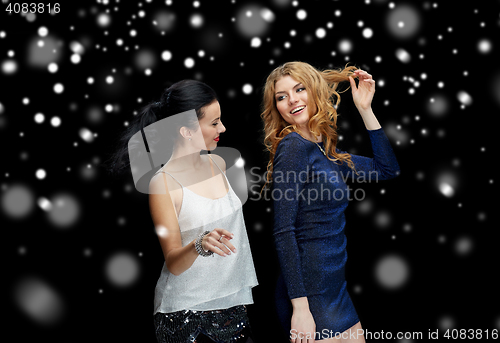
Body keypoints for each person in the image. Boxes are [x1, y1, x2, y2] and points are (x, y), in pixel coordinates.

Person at [104, 80, 258, 343]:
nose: (223, 128)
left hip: (234, 306)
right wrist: (200, 243)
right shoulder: (163, 184)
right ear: (186, 131)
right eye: (214, 123)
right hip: (187, 316)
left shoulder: (221, 163)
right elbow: (174, 262)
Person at [260, 62, 400, 343]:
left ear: (314, 91)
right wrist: (300, 307)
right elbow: (283, 230)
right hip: (309, 293)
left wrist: (365, 109)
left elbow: (387, 169)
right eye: (281, 96)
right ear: (276, 107)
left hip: (335, 287)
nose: (292, 100)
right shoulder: (293, 147)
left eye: (299, 89)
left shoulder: (326, 153)